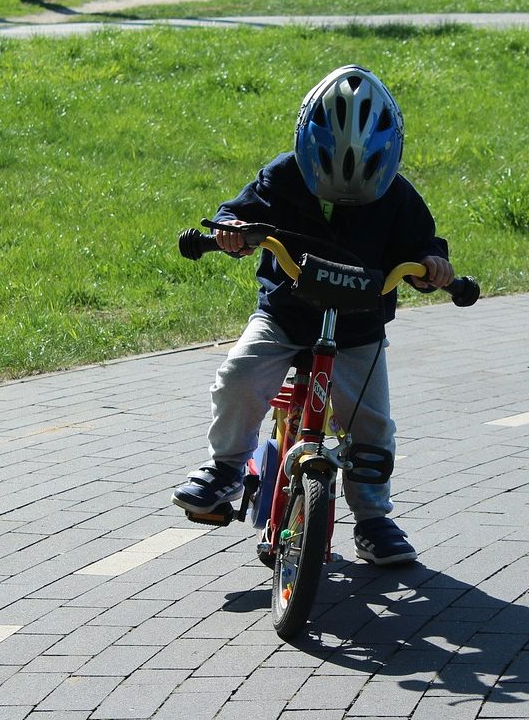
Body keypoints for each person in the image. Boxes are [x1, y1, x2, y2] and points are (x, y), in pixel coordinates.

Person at [171, 65, 455, 565]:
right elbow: (237, 212)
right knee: (238, 377)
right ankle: (226, 467)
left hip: (359, 327)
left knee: (371, 425)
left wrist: (432, 266)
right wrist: (231, 232)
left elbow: (424, 246)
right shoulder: (281, 176)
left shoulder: (398, 196)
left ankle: (372, 519)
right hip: (286, 315)